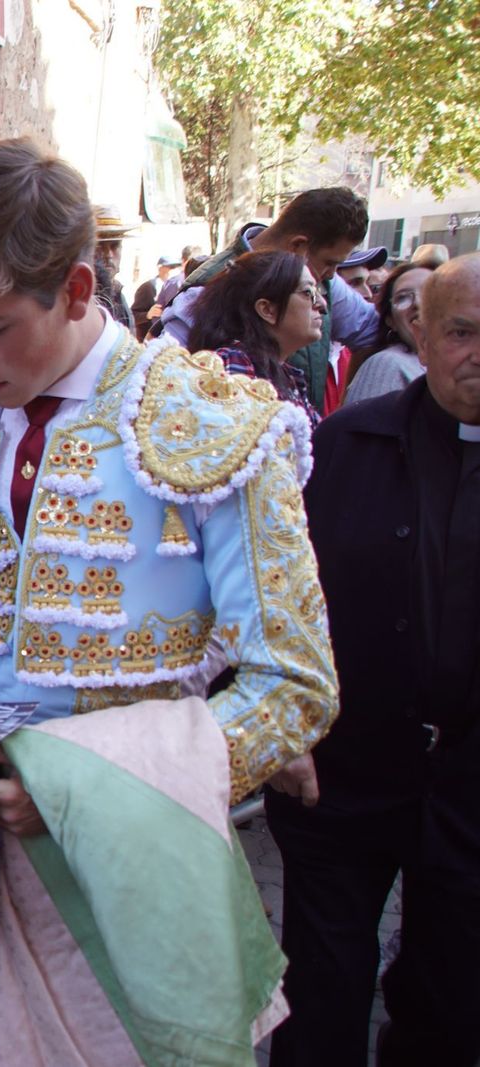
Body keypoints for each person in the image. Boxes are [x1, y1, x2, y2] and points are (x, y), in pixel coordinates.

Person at [0, 138, 337, 1066]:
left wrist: (94, 790)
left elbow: (295, 684)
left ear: (77, 290)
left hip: (139, 851)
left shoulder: (211, 425)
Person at [267, 253, 480, 1067]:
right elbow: (275, 596)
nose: (477, 354)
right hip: (343, 778)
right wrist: (282, 725)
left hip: (470, 787)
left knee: (450, 999)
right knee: (321, 994)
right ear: (419, 333)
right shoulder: (347, 444)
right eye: (461, 331)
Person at [160, 186, 379, 412]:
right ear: (298, 247)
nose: (331, 276)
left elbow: (371, 329)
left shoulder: (324, 280)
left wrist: (345, 419)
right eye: (330, 262)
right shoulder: (199, 293)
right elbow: (166, 392)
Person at [184, 250, 326, 424]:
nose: (321, 304)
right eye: (308, 292)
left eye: (318, 291)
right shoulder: (232, 365)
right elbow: (241, 442)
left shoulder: (286, 374)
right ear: (267, 310)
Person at [343, 261, 434, 406]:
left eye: (429, 292)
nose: (417, 303)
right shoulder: (387, 365)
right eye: (403, 297)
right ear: (391, 320)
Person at [92, 205, 135, 329]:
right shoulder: (81, 298)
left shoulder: (119, 294)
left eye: (115, 245)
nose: (109, 255)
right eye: (100, 246)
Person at [131, 255, 176, 340]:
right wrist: (147, 315)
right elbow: (132, 315)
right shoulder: (148, 287)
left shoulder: (175, 287)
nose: (173, 270)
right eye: (170, 267)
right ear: (160, 268)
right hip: (147, 341)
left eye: (175, 267)